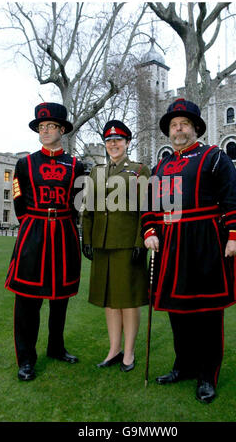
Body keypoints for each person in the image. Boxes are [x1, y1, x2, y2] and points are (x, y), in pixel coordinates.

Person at [142, 98, 236, 403]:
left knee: (207, 314)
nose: (178, 130)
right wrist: (149, 231)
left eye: (184, 124)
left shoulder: (215, 158)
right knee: (178, 313)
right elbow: (150, 208)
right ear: (169, 131)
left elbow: (234, 197)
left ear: (195, 128)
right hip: (172, 246)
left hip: (206, 243)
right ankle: (184, 366)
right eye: (174, 125)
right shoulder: (160, 167)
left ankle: (207, 376)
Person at [5, 102, 84, 381]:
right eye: (42, 127)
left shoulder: (77, 165)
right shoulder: (25, 163)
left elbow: (79, 203)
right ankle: (26, 359)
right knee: (27, 299)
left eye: (51, 126)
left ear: (62, 129)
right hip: (34, 232)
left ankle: (56, 347)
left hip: (63, 232)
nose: (46, 131)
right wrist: (31, 224)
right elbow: (18, 199)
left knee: (60, 297)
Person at [82, 120, 150, 372]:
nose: (113, 144)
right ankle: (114, 350)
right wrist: (87, 239)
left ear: (127, 143)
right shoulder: (96, 172)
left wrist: (139, 242)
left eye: (118, 140)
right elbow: (87, 210)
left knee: (128, 301)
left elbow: (145, 210)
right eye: (109, 141)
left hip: (126, 245)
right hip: (101, 244)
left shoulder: (139, 170)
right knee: (109, 300)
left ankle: (129, 353)